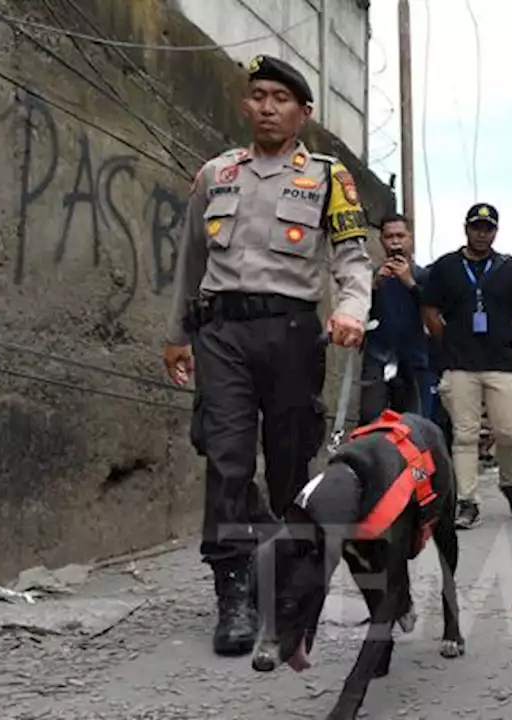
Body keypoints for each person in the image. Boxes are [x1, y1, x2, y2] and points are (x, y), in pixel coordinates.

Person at [163, 55, 371, 656]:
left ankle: (280, 576)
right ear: (245, 104)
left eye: (281, 98)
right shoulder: (215, 174)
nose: (268, 107)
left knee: (288, 461)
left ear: (304, 113)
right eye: (258, 95)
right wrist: (178, 333)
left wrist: (351, 311)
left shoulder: (331, 178)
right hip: (222, 333)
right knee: (226, 457)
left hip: (292, 334)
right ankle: (232, 588)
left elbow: (352, 258)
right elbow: (191, 262)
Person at [420, 203, 512, 529]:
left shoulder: (509, 267)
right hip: (459, 363)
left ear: (495, 231)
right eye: (476, 227)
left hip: (500, 362)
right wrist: (447, 339)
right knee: (465, 436)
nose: (482, 233)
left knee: (509, 431)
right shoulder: (446, 266)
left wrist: (506, 335)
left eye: (488, 228)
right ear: (466, 229)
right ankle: (467, 501)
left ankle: (510, 484)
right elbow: (429, 307)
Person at [360, 214, 432, 423]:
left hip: (415, 358)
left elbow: (433, 311)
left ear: (410, 238)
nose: (395, 241)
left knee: (413, 423)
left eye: (400, 235)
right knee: (370, 418)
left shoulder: (424, 276)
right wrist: (374, 285)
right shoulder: (370, 277)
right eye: (389, 236)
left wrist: (409, 283)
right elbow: (356, 309)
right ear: (381, 240)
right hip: (377, 357)